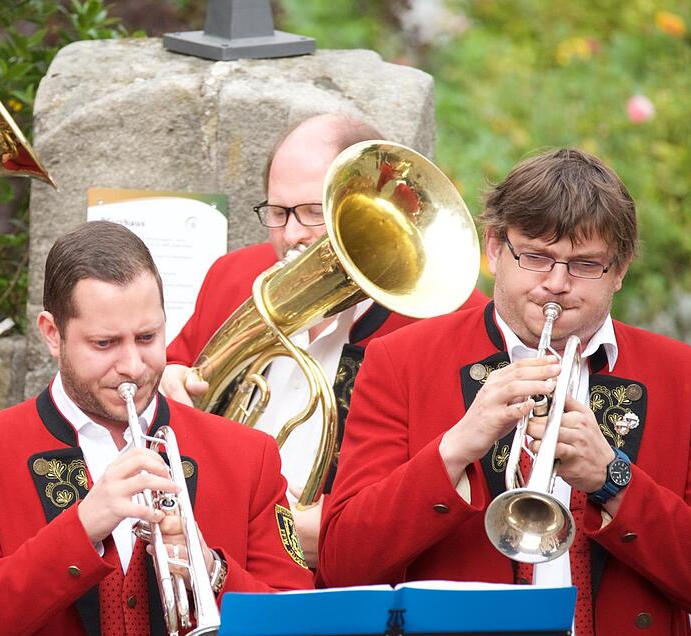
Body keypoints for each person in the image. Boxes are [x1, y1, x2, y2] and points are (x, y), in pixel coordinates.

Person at [316, 148, 691, 636]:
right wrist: (454, 448)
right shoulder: (402, 361)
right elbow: (343, 563)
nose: (556, 284)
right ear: (495, 248)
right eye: (535, 257)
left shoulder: (682, 375)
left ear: (621, 269)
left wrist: (615, 480)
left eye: (586, 264)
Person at [0, 220, 313, 636]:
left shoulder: (246, 455)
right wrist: (80, 528)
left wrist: (211, 570)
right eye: (105, 344)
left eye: (148, 337)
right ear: (52, 334)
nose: (132, 365)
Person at [161, 113, 486, 566]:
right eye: (277, 213)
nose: (292, 235)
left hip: (349, 584)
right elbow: (172, 372)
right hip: (214, 562)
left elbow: (445, 482)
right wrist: (167, 380)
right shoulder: (233, 277)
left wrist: (330, 524)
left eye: (314, 212)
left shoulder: (453, 320)